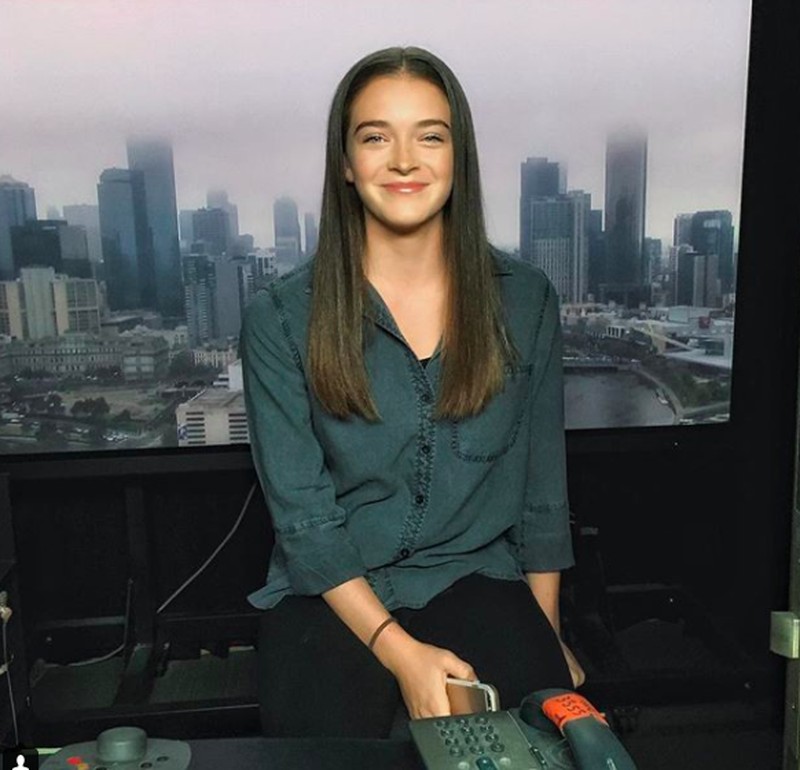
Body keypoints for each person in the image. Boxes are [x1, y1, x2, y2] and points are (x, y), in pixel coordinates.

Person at [239, 45, 585, 739]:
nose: (404, 161)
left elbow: (541, 489)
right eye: (376, 137)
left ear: (459, 157)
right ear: (346, 162)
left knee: (541, 745)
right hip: (332, 588)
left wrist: (546, 640)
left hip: (476, 573)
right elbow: (304, 521)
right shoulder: (279, 317)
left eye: (430, 136)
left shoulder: (527, 300)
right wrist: (401, 655)